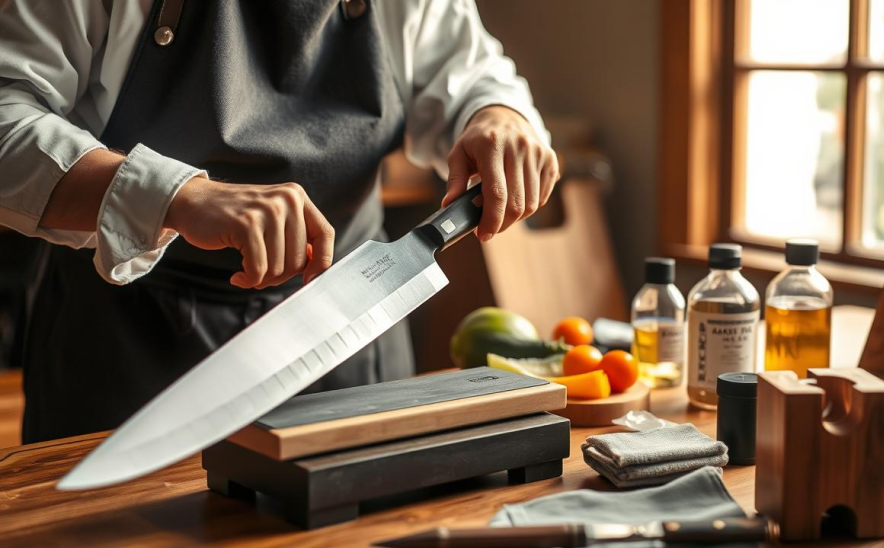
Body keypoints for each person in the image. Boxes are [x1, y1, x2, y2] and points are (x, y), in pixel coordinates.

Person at [0, 0, 559, 443]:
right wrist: (176, 196)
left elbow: (470, 67)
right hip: (129, 352)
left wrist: (498, 114)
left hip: (350, 326)